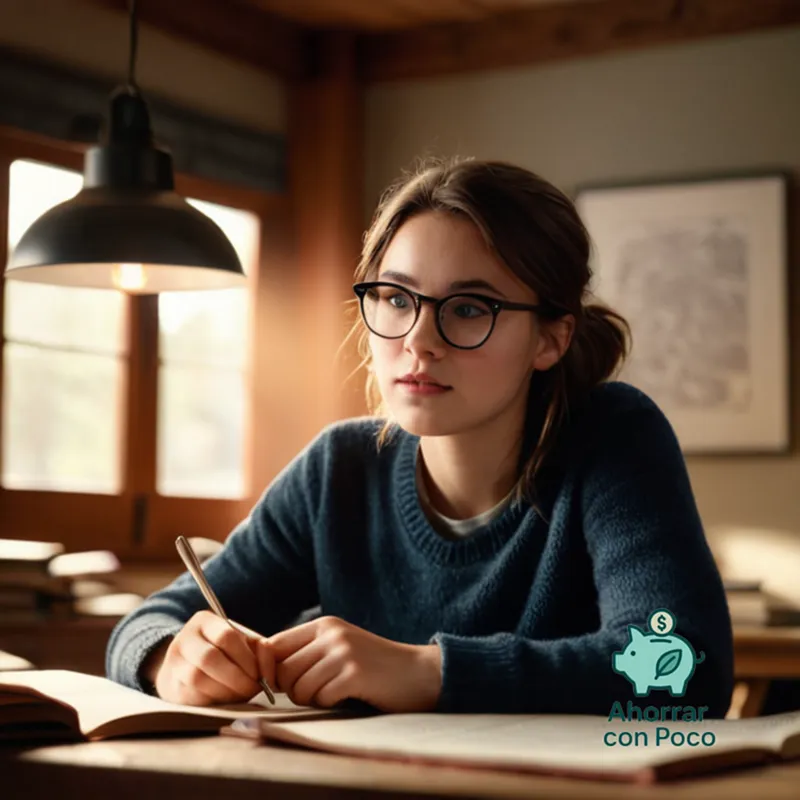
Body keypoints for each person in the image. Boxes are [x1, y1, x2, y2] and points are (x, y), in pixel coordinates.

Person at [106, 158, 734, 717]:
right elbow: (143, 626)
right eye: (396, 298)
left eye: (468, 308)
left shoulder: (611, 434)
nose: (417, 340)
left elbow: (685, 667)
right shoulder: (338, 468)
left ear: (551, 338)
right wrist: (172, 659)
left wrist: (428, 671)